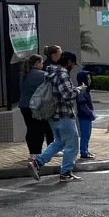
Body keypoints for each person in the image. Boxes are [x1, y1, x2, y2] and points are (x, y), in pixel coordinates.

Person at [28, 51, 85, 182]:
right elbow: (68, 95)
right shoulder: (63, 74)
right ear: (69, 62)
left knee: (59, 142)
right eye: (72, 64)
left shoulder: (50, 72)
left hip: (52, 114)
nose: (72, 67)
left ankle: (37, 163)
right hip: (65, 114)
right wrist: (79, 89)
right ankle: (65, 173)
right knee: (72, 145)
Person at [19, 54, 54, 160]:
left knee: (30, 129)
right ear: (37, 63)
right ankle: (37, 153)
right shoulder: (43, 75)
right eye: (41, 62)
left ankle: (32, 153)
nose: (42, 65)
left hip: (24, 105)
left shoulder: (24, 75)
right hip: (36, 106)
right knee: (39, 130)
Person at [75, 70, 96, 160]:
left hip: (86, 115)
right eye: (88, 78)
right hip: (84, 116)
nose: (90, 80)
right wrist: (90, 113)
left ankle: (85, 150)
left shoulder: (86, 90)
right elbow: (82, 104)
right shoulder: (82, 90)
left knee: (87, 134)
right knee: (85, 134)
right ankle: (84, 152)